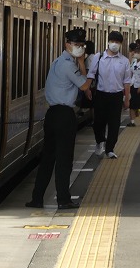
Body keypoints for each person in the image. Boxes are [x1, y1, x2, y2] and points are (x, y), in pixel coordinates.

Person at [26, 28, 90, 210]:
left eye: (81, 46)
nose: (79, 48)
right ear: (67, 44)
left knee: (48, 158)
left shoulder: (57, 61)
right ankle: (63, 199)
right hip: (64, 116)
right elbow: (84, 85)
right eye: (76, 45)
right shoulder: (69, 65)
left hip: (52, 115)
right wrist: (84, 64)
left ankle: (37, 198)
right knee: (64, 159)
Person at [87, 31, 132, 159]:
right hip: (101, 94)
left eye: (117, 42)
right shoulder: (99, 57)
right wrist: (87, 89)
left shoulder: (124, 61)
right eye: (113, 41)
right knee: (99, 122)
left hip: (116, 96)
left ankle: (110, 149)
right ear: (108, 42)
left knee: (114, 124)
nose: (114, 44)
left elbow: (127, 81)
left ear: (121, 44)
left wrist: (127, 99)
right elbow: (91, 74)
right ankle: (100, 141)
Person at [130, 43, 140, 126]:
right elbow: (130, 72)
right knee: (132, 104)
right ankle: (132, 122)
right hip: (133, 85)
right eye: (135, 51)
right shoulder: (134, 62)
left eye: (138, 52)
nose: (136, 53)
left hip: (139, 86)